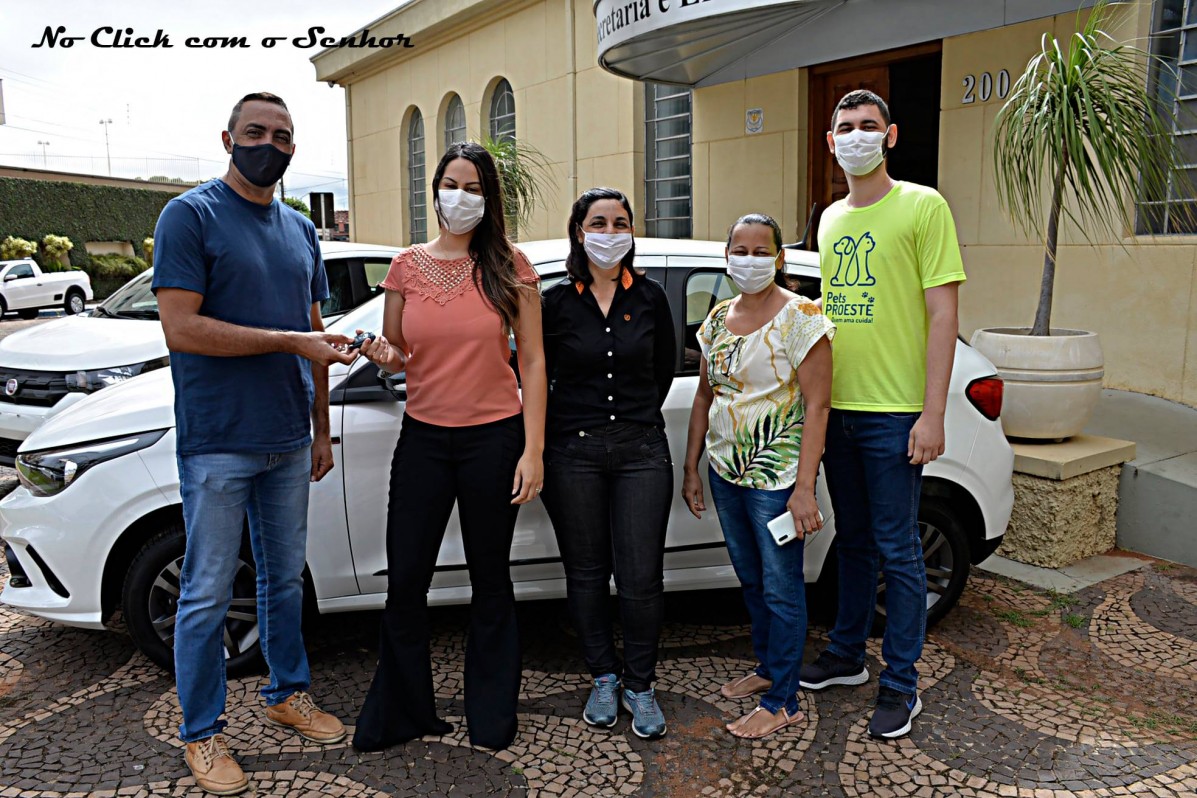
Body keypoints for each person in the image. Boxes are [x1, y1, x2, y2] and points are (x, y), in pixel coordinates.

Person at [153, 92, 355, 797]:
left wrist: (320, 426)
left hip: (289, 439)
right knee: (206, 591)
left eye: (283, 136)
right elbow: (181, 327)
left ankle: (287, 693)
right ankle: (201, 734)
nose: (269, 145)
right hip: (218, 441)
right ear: (228, 139)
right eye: (256, 132)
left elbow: (315, 334)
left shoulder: (299, 229)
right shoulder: (190, 216)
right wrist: (290, 342)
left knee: (283, 579)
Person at [352, 141, 546, 753]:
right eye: (452, 185)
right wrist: (379, 352)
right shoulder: (404, 267)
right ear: (434, 190)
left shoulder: (510, 265)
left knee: (491, 579)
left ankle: (492, 715)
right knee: (406, 579)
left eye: (474, 188)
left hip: (494, 439)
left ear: (489, 199)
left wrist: (533, 450)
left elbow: (534, 362)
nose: (461, 197)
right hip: (424, 441)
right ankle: (404, 712)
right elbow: (399, 352)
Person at [799, 89, 966, 740]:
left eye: (868, 125)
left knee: (898, 550)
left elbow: (942, 314)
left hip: (894, 414)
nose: (856, 136)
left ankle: (901, 682)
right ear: (830, 142)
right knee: (853, 542)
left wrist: (932, 414)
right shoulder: (829, 220)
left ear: (890, 136)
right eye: (845, 127)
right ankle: (846, 654)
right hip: (838, 409)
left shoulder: (923, 206)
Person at [681, 213, 834, 739]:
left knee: (782, 588)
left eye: (760, 251)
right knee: (751, 580)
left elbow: (818, 407)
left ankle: (783, 701)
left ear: (779, 257)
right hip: (726, 473)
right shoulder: (717, 319)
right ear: (727, 257)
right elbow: (705, 396)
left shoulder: (802, 316)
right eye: (740, 251)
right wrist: (692, 466)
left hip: (777, 480)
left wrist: (805, 489)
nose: (749, 260)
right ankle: (770, 668)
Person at [539, 188, 676, 740]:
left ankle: (640, 684)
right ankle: (603, 676)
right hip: (573, 453)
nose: (610, 232)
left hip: (642, 451)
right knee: (587, 574)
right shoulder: (554, 301)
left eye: (621, 222)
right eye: (599, 222)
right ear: (579, 231)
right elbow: (535, 372)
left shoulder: (650, 296)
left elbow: (663, 369)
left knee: (641, 578)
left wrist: (633, 419)